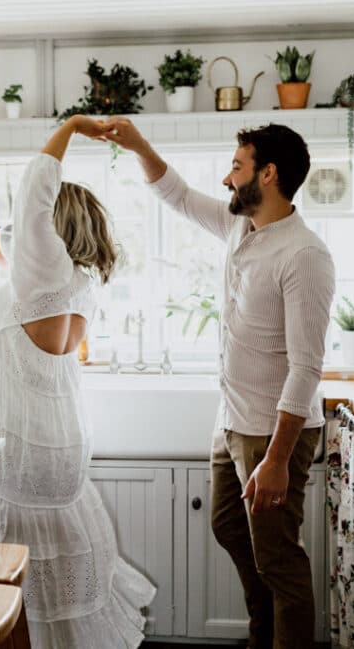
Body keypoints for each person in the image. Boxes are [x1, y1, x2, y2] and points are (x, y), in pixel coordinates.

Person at [0, 114, 156, 648]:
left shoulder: (40, 274)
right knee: (48, 592)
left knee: (3, 586)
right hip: (63, 459)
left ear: (49, 229)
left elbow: (32, 191)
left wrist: (71, 127)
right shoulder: (76, 285)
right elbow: (36, 338)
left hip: (18, 459)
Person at [102, 118, 334, 649]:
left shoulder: (304, 255)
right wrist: (137, 144)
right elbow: (178, 195)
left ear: (268, 174)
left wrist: (276, 459)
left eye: (237, 166)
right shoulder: (240, 228)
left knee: (278, 556)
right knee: (229, 526)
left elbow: (306, 369)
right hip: (231, 421)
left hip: (273, 433)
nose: (228, 179)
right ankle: (263, 633)